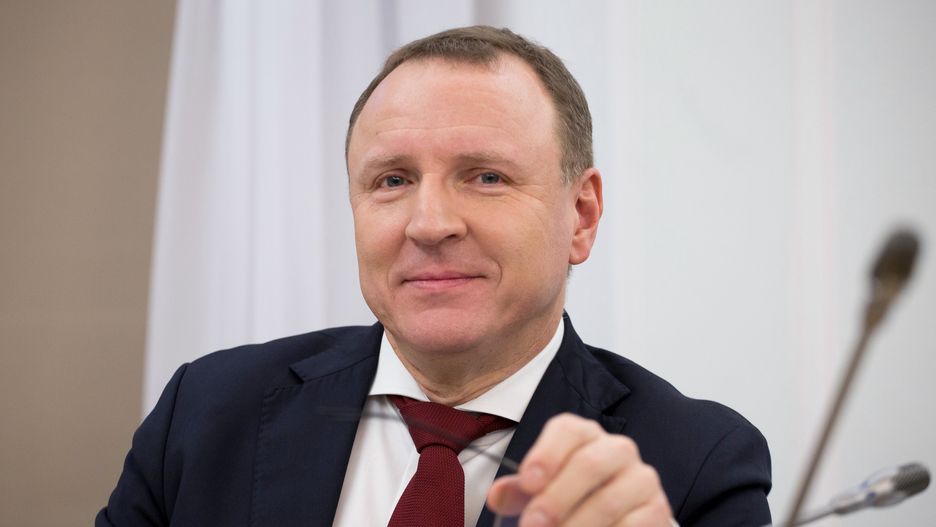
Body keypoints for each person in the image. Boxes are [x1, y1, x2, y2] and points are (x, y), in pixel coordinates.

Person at [98, 26, 771, 527]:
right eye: (393, 180)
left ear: (582, 215)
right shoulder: (204, 411)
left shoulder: (694, 464)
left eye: (486, 176)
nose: (430, 223)